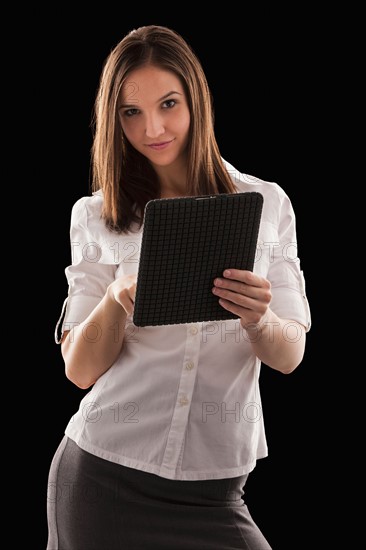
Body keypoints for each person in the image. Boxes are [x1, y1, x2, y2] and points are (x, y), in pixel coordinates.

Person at [47, 25, 311, 550]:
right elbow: (78, 369)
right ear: (113, 120)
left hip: (217, 492)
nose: (154, 127)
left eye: (169, 103)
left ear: (196, 99)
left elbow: (290, 354)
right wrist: (119, 297)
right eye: (131, 112)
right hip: (104, 479)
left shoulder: (267, 204)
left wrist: (259, 318)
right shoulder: (96, 216)